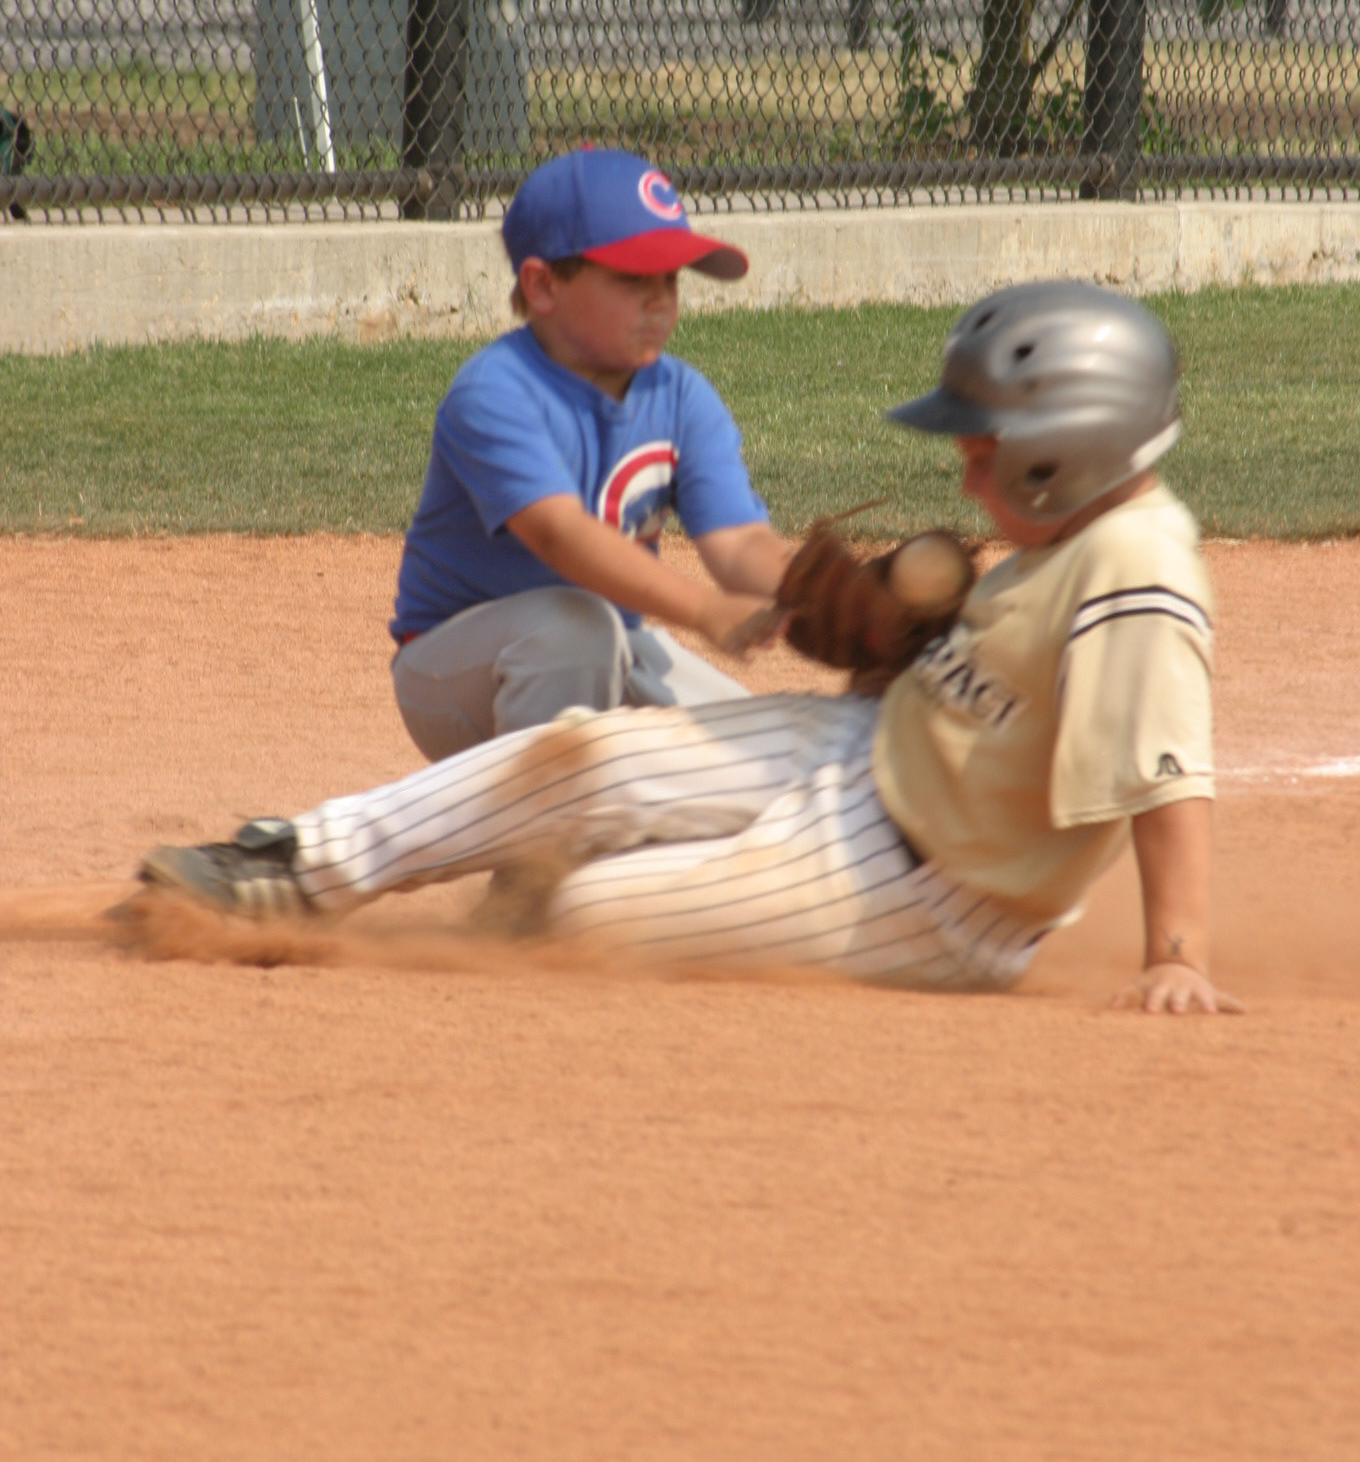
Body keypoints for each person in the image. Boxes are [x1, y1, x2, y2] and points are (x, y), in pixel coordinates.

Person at [138, 280, 1241, 1016]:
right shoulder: (1070, 540)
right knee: (592, 755)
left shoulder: (1137, 574)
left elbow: (1163, 775)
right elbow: (977, 696)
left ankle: (572, 872)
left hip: (927, 892)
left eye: (983, 446)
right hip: (859, 752)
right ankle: (296, 866)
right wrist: (890, 646)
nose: (963, 472)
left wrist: (1176, 957)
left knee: (585, 913)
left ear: (1065, 451)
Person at [388, 147, 794, 762]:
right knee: (576, 629)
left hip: (606, 653)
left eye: (670, 280)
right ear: (543, 285)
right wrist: (706, 609)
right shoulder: (496, 390)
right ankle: (533, 847)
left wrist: (823, 591)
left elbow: (738, 544)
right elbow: (560, 537)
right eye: (633, 279)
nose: (659, 301)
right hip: (457, 677)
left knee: (768, 753)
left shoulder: (681, 395)